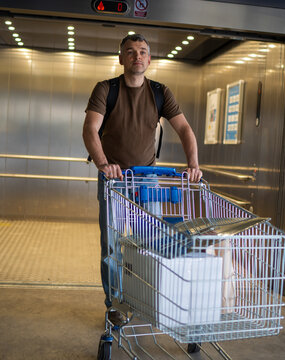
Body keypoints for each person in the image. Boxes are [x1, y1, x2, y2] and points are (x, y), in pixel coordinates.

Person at [82, 34, 203, 322]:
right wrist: (103, 164)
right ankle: (115, 305)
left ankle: (146, 298)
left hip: (147, 180)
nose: (137, 56)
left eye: (143, 52)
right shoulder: (106, 89)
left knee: (150, 241)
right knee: (112, 244)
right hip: (115, 180)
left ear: (149, 60)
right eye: (130, 51)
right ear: (121, 58)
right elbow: (90, 128)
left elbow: (184, 129)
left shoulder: (160, 92)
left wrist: (193, 164)